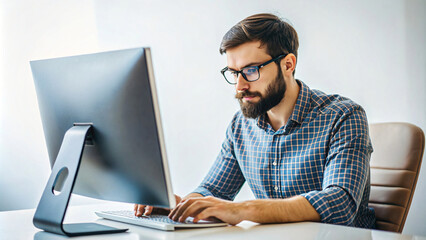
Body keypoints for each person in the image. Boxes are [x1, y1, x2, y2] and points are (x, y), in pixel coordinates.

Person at [134, 13, 376, 228]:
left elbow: (340, 203)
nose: (240, 86)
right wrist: (179, 205)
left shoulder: (344, 116)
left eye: (251, 70)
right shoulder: (241, 125)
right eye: (233, 73)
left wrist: (243, 209)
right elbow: (214, 191)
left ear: (288, 64)